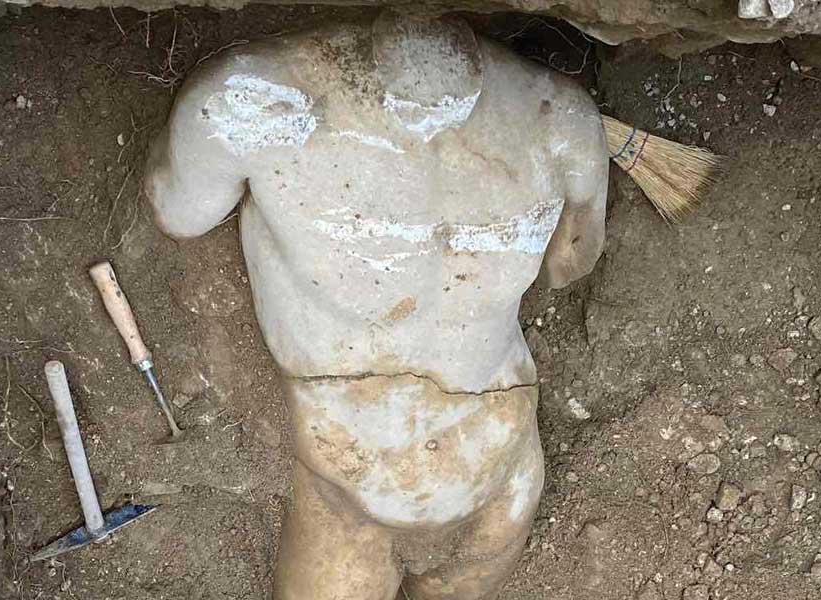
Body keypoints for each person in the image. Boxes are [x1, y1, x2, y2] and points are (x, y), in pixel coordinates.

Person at [146, 11, 607, 599]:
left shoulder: (248, 103)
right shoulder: (561, 119)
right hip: (487, 471)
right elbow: (570, 263)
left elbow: (179, 212)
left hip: (377, 475)